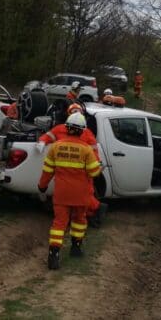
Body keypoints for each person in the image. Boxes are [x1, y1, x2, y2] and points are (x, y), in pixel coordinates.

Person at [38, 113, 102, 269]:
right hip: (81, 195)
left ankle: (53, 255)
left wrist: (42, 187)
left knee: (59, 224)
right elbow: (94, 173)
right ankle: (76, 248)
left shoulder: (56, 147)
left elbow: (47, 171)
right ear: (82, 131)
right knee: (80, 221)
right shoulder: (86, 150)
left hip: (61, 194)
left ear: (67, 128)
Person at [35, 104, 107, 227]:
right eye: (74, 111)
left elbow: (94, 150)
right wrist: (42, 142)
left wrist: (96, 163)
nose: (77, 113)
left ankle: (95, 210)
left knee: (85, 194)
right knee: (80, 195)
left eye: (78, 111)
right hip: (67, 169)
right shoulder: (59, 129)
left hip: (81, 170)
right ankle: (88, 214)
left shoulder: (87, 133)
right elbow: (48, 136)